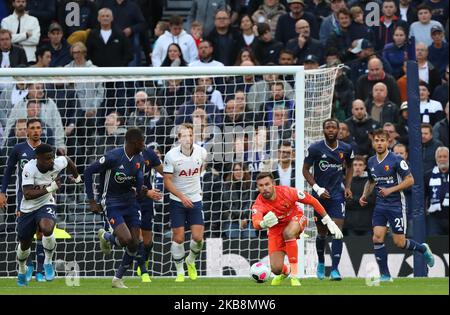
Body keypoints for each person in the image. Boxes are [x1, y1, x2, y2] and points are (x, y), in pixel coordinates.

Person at [360, 129, 435, 281]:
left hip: (396, 205)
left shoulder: (396, 160)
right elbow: (372, 181)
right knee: (377, 238)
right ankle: (385, 275)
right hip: (380, 206)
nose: (379, 143)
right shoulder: (371, 161)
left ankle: (422, 249)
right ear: (373, 143)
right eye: (377, 141)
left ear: (388, 142)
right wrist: (364, 195)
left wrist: (390, 190)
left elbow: (410, 180)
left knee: (399, 243)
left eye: (382, 140)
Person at [84, 128, 152, 288]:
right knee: (126, 240)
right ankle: (106, 236)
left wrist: (143, 190)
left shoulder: (139, 160)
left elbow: (138, 184)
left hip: (131, 202)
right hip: (112, 202)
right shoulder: (113, 157)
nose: (144, 144)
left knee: (135, 243)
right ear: (133, 142)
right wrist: (92, 200)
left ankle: (117, 279)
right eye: (142, 141)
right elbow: (88, 171)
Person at [251, 172, 343, 286]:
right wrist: (263, 223)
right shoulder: (258, 204)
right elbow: (256, 223)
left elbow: (313, 201)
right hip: (275, 229)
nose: (264, 188)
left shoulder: (287, 192)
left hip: (296, 218)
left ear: (273, 184)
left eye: (267, 184)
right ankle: (287, 271)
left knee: (288, 233)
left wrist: (328, 221)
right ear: (257, 187)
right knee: (276, 269)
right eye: (261, 185)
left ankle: (294, 276)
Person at [16, 143, 81, 286]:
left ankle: (48, 261)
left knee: (47, 228)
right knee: (24, 246)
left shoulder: (56, 163)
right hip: (27, 209)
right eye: (47, 159)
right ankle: (22, 269)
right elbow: (27, 194)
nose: (51, 161)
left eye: (52, 157)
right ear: (38, 158)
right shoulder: (29, 168)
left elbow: (68, 160)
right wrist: (50, 187)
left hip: (46, 203)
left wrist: (77, 177)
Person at [302, 118, 354, 280]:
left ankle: (335, 270)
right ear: (323, 130)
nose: (331, 130)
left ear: (339, 130)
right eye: (327, 127)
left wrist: (347, 187)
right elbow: (305, 170)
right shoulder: (315, 148)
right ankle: (321, 262)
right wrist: (317, 188)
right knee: (322, 233)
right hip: (320, 197)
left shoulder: (346, 148)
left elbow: (350, 166)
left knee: (337, 232)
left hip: (337, 196)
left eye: (333, 127)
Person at [0, 118, 47, 282]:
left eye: (38, 128)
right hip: (23, 199)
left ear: (41, 130)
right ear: (27, 131)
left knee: (41, 232)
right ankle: (28, 266)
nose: (35, 131)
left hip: (43, 197)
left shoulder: (46, 149)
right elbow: (8, 172)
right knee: (25, 236)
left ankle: (40, 271)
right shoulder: (18, 149)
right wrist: (2, 192)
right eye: (32, 128)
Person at [163, 123, 208, 282]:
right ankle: (180, 270)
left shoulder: (202, 152)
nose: (188, 138)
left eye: (190, 135)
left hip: (196, 199)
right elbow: (167, 182)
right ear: (178, 138)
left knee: (198, 238)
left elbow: (202, 168)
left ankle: (191, 261)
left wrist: (196, 189)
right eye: (184, 135)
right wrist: (182, 197)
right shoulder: (171, 156)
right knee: (179, 238)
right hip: (177, 201)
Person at [135, 144, 164, 281]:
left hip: (147, 200)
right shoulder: (124, 156)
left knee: (147, 241)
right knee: (138, 238)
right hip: (131, 199)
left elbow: (164, 171)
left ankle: (144, 260)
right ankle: (144, 271)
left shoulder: (149, 154)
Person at [424, 146, 449, 236]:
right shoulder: (428, 175)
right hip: (434, 218)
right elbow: (423, 196)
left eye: (445, 156)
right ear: (436, 159)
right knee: (435, 245)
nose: (442, 159)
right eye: (440, 156)